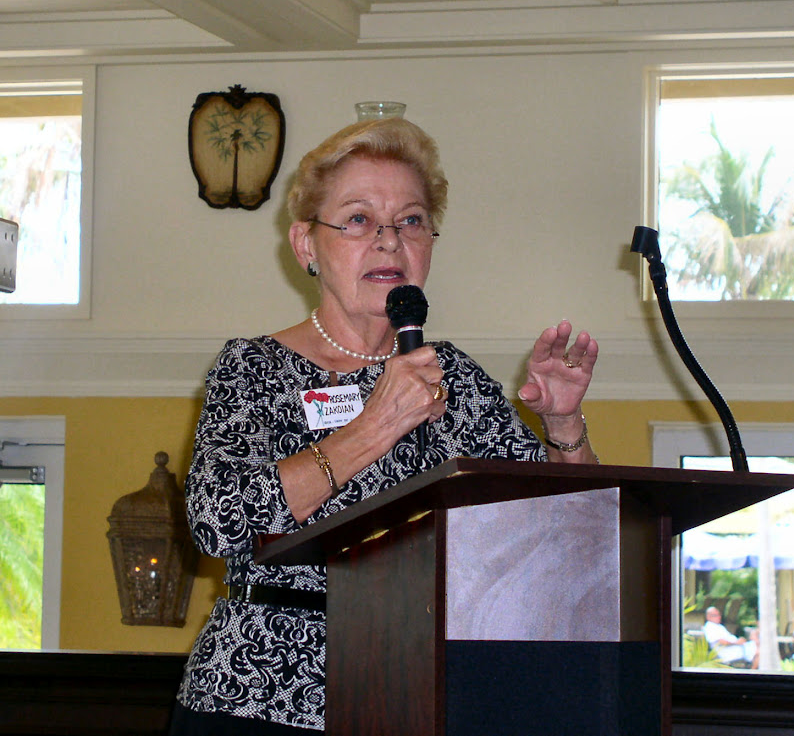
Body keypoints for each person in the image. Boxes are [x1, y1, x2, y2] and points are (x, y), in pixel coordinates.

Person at [170, 117, 599, 734]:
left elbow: (568, 534)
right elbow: (216, 521)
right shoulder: (253, 368)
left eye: (412, 220)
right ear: (306, 246)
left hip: (423, 694)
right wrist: (376, 425)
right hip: (261, 698)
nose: (389, 241)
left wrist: (563, 424)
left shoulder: (455, 377)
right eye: (358, 219)